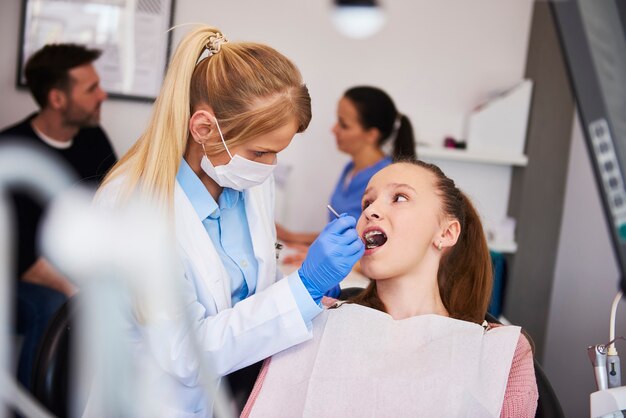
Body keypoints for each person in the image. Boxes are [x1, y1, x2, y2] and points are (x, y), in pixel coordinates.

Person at [93, 25, 364, 416]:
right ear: (203, 129)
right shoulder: (133, 208)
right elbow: (186, 353)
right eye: (259, 153)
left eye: (276, 153)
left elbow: (248, 300)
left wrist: (309, 289)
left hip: (237, 394)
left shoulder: (243, 179)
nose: (269, 167)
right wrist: (302, 289)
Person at [242, 160, 538, 417]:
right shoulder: (311, 319)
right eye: (367, 203)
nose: (372, 211)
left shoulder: (500, 351)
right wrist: (304, 293)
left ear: (446, 233)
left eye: (399, 197)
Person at [0, 43, 116, 392]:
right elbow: (20, 257)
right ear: (57, 99)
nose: (103, 94)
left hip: (69, 268)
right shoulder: (11, 151)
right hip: (15, 275)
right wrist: (78, 291)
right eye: (91, 88)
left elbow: (114, 201)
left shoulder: (93, 139)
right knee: (53, 306)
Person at [276, 86, 416, 261]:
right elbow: (345, 231)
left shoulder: (388, 177)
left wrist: (315, 251)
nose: (334, 129)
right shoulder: (350, 168)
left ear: (371, 134)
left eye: (344, 124)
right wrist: (293, 238)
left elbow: (374, 241)